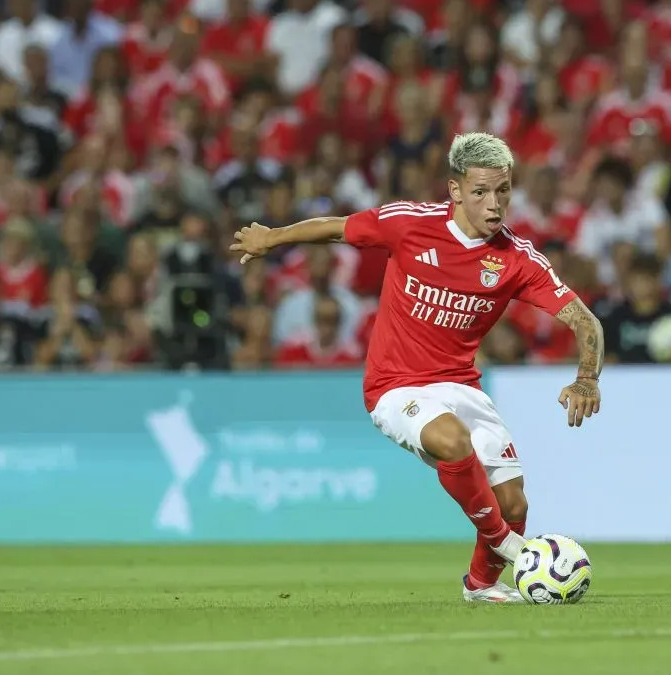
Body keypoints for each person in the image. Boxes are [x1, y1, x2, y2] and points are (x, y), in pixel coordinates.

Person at [230, 132, 605, 603]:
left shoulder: (516, 259)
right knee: (452, 440)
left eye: (503, 191)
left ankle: (481, 585)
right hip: (394, 385)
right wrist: (273, 238)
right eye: (481, 192)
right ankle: (510, 548)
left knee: (514, 502)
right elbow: (337, 228)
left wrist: (586, 377)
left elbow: (583, 320)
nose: (494, 204)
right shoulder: (408, 223)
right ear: (455, 190)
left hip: (461, 386)